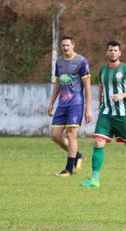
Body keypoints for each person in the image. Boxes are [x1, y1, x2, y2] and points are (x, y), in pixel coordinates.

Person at [80, 40, 126, 188]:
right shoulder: (103, 70)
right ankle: (94, 180)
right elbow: (102, 86)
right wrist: (100, 102)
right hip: (106, 113)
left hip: (123, 115)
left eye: (115, 50)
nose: (112, 52)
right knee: (98, 142)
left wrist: (122, 95)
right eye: (110, 50)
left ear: (120, 53)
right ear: (106, 52)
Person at [48, 35, 92, 176]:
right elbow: (58, 83)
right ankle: (77, 156)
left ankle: (68, 169)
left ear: (73, 45)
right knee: (54, 135)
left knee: (71, 134)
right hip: (62, 104)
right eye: (63, 45)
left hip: (76, 103)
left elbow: (87, 87)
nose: (66, 48)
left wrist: (88, 109)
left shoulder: (81, 61)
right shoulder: (59, 62)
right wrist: (51, 103)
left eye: (68, 45)